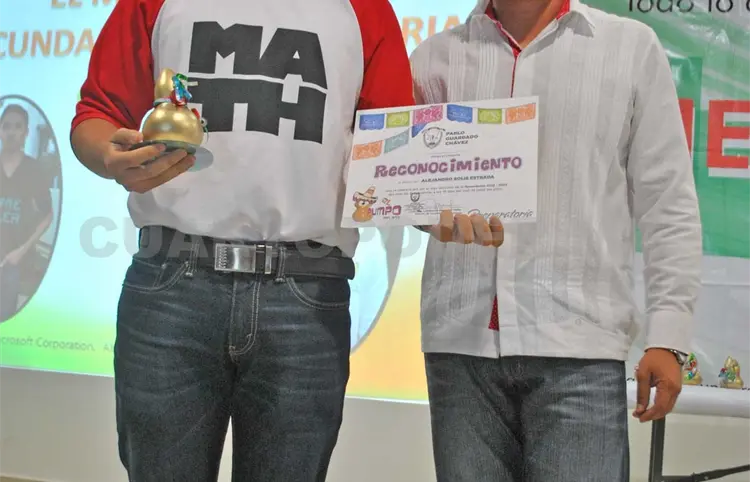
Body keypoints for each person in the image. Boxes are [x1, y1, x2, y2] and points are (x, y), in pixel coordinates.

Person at [70, 0, 418, 480]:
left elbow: (395, 144)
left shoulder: (365, 9)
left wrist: (440, 196)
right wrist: (108, 156)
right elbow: (98, 113)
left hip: (306, 291)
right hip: (171, 282)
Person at [411, 0, 703, 480]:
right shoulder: (433, 57)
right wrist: (425, 215)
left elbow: (667, 200)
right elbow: (404, 185)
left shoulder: (629, 47)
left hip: (580, 350)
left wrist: (668, 338)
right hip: (461, 348)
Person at [0, 104, 53, 322]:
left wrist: (21, 251)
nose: (11, 132)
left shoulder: (33, 170)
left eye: (17, 127)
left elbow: (48, 215)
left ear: (26, 132)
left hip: (13, 263)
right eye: (6, 126)